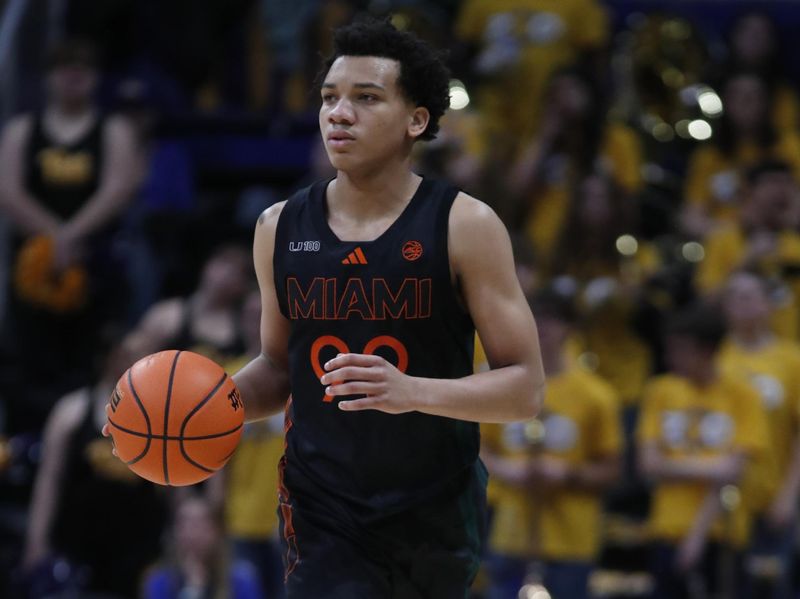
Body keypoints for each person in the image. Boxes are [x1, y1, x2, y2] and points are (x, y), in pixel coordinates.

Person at [192, 17, 544, 598]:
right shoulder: (277, 227)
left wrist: (410, 391)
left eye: (366, 98)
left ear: (416, 120)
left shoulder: (466, 224)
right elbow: (281, 370)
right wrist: (199, 408)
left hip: (434, 506)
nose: (339, 113)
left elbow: (525, 389)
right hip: (322, 506)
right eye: (331, 98)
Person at [0, 39, 140, 432]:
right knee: (28, 361)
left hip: (95, 264)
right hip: (35, 270)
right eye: (65, 68)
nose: (73, 76)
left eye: (82, 69)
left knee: (90, 358)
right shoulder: (22, 130)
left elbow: (119, 187)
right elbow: (8, 191)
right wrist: (55, 238)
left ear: (94, 78)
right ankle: (25, 448)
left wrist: (70, 236)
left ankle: (92, 441)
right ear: (49, 78)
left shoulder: (111, 129)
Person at [482, 289, 621, 599]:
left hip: (571, 540)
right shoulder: (501, 385)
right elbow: (481, 449)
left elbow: (611, 469)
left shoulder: (596, 395)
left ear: (570, 328)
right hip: (511, 533)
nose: (541, 327)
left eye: (551, 320)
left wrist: (567, 474)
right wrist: (507, 469)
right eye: (534, 319)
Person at [637, 303, 769, 599]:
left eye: (681, 350)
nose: (672, 359)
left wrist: (696, 535)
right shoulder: (660, 390)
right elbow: (648, 464)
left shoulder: (743, 395)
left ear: (707, 351)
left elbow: (733, 472)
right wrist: (711, 466)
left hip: (723, 534)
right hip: (666, 527)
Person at [22, 331, 167, 598]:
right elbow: (49, 481)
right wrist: (36, 541)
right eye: (126, 354)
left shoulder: (160, 417)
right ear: (108, 358)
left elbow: (174, 484)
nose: (133, 361)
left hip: (135, 545)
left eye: (140, 356)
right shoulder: (73, 409)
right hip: (79, 542)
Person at [719, 271, 800, 598]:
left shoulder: (791, 359)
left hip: (773, 495)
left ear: (769, 305)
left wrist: (789, 495)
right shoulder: (716, 358)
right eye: (737, 297)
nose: (745, 305)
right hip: (724, 501)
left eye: (753, 296)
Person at [695, 159, 800, 340]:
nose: (781, 191)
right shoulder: (722, 239)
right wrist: (747, 263)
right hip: (734, 355)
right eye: (773, 182)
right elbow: (707, 304)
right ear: (750, 190)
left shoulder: (794, 244)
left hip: (789, 354)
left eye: (787, 183)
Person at [143, 495, 263, 599]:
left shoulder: (241, 578)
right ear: (175, 532)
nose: (193, 533)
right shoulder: (159, 580)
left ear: (216, 531)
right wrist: (193, 590)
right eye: (185, 524)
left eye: (200, 524)